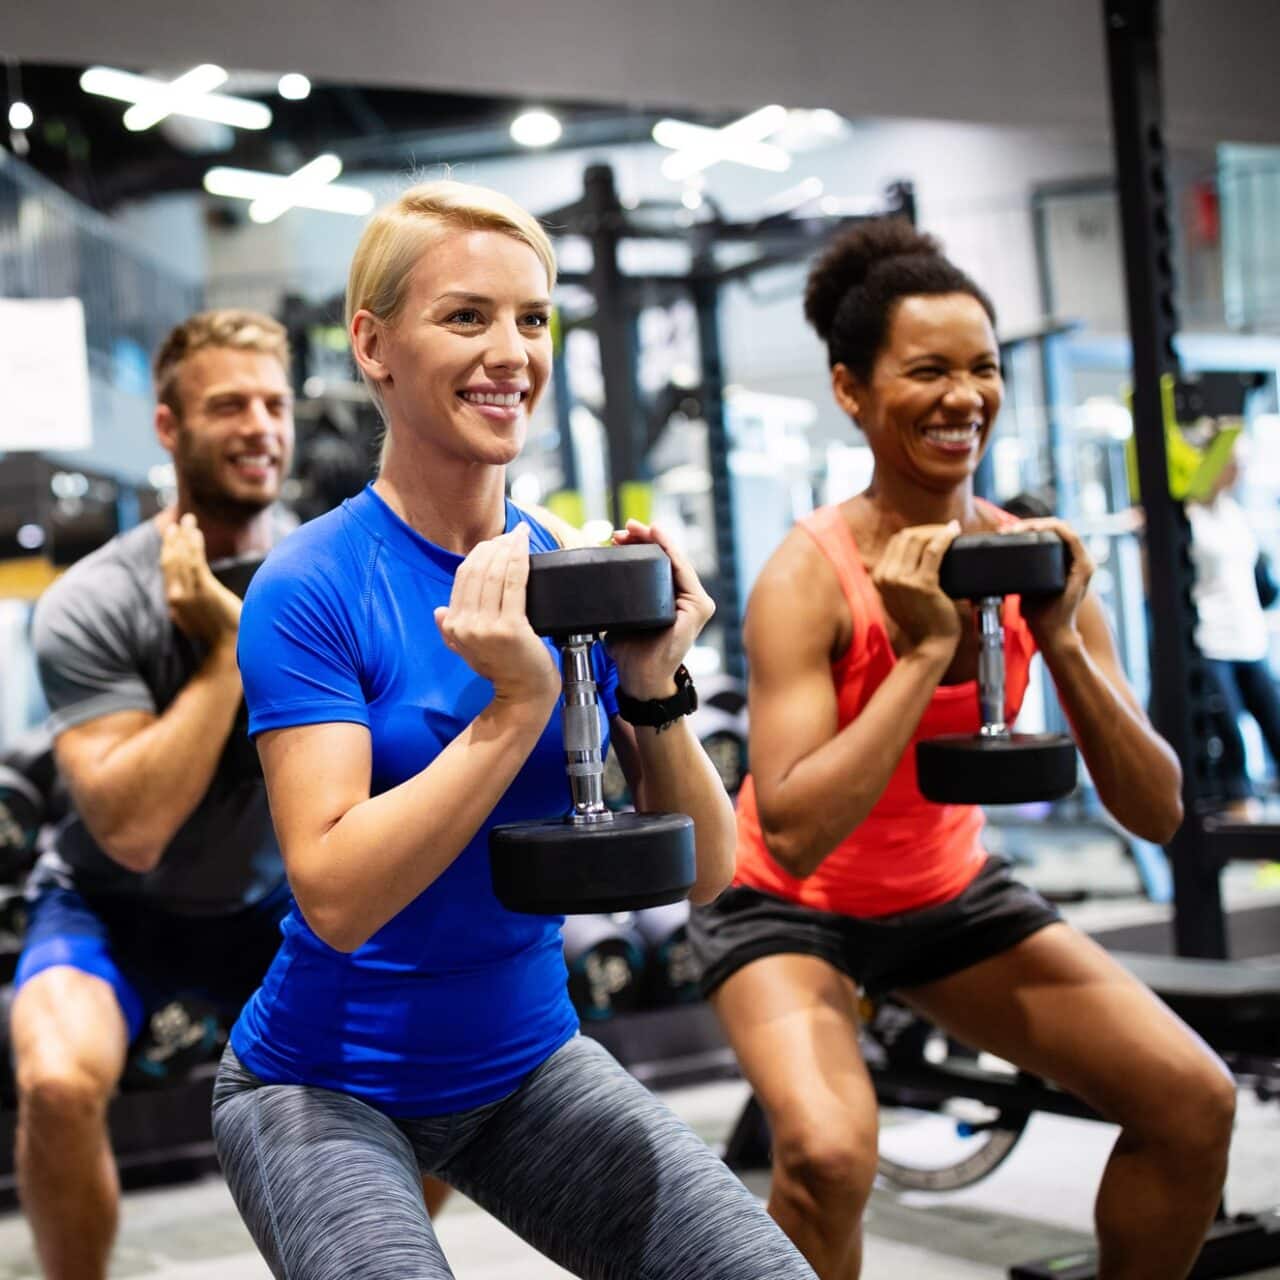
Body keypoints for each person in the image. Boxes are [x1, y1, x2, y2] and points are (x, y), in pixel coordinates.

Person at [210, 180, 816, 1280]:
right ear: (373, 344)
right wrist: (514, 708)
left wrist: (651, 678)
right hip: (323, 1078)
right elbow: (336, 895)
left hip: (525, 1061)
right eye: (465, 316)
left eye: (532, 318)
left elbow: (712, 867)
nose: (510, 351)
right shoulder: (311, 584)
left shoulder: (571, 568)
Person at [688, 220, 1237, 1280]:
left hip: (944, 896)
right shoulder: (807, 576)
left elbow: (1157, 810)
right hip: (781, 906)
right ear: (851, 390)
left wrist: (1065, 635)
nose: (962, 395)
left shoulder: (1028, 558)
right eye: (925, 369)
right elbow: (794, 830)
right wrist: (923, 651)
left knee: (1190, 1100)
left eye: (979, 367)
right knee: (827, 1152)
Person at [10, 309, 301, 1280]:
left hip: (274, 899)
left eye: (274, 402)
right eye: (228, 404)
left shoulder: (328, 571)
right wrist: (226, 651)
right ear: (169, 427)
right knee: (55, 1079)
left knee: (431, 1052)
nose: (259, 424)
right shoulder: (93, 598)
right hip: (110, 902)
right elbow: (129, 832)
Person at [1186, 437, 1280, 806]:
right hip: (1211, 642)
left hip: (1249, 640)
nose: (1238, 470)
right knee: (1231, 747)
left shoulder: (1233, 513)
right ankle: (1245, 827)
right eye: (1232, 461)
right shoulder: (1187, 516)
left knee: (1275, 725)